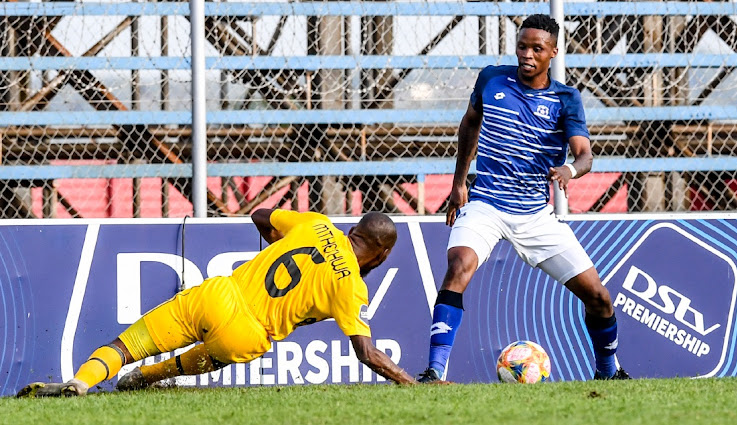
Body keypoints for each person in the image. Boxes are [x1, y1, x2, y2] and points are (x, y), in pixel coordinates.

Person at [417, 14, 629, 383]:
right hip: (485, 204)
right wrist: (459, 183)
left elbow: (584, 155)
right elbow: (470, 123)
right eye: (522, 46)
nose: (527, 54)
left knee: (599, 298)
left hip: (535, 215)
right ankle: (434, 371)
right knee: (457, 268)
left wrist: (570, 171)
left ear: (553, 53)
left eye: (537, 48)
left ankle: (608, 371)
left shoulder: (565, 99)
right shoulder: (491, 79)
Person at [18, 208, 416, 397]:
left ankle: (82, 382)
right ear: (380, 256)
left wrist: (278, 245)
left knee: (127, 346)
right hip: (247, 336)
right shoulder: (351, 286)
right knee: (213, 354)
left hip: (219, 295)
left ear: (352, 229)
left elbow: (260, 215)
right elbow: (365, 352)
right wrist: (411, 383)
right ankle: (148, 378)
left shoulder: (317, 224)